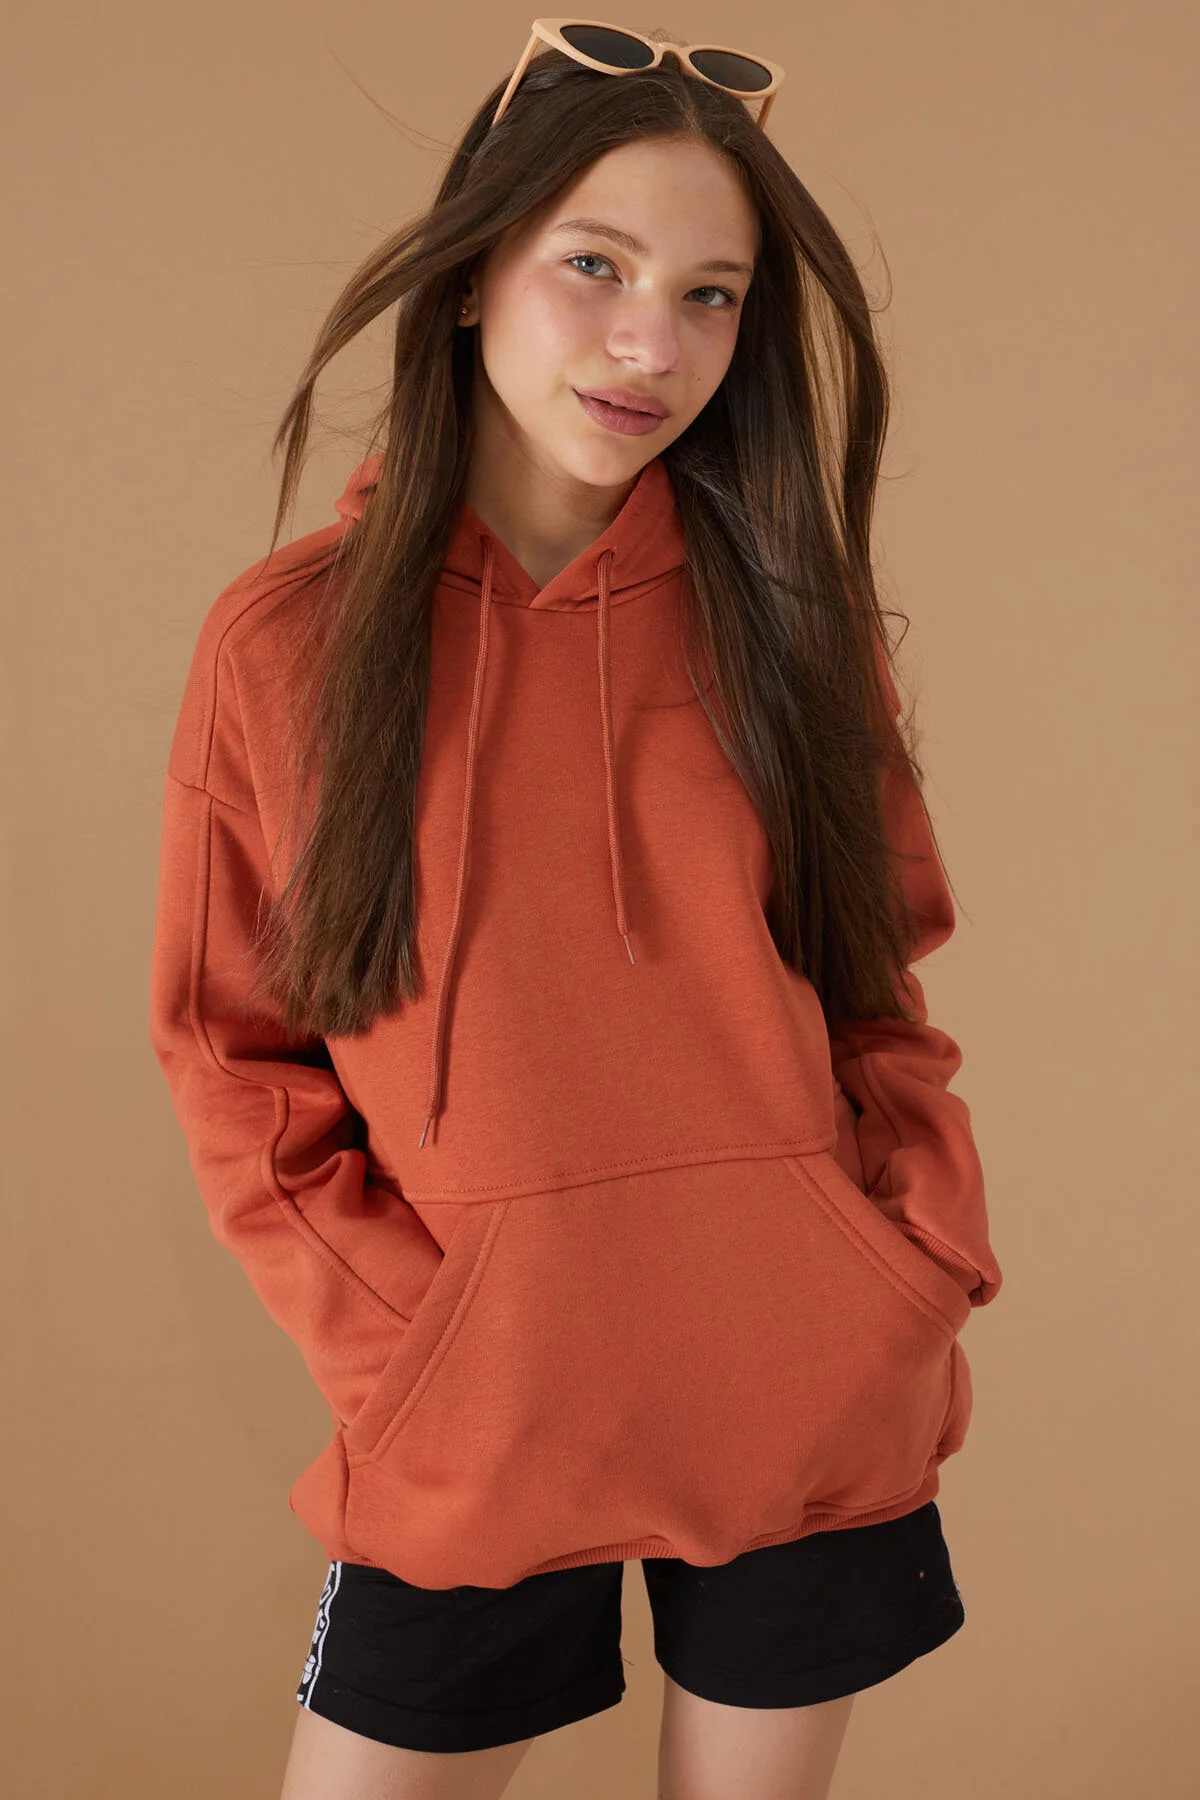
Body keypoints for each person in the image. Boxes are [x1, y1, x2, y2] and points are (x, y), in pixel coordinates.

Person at [148, 21, 1004, 1800]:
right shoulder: (288, 646)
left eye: (710, 296)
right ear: (473, 273)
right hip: (486, 1407)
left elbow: (875, 990)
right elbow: (235, 1059)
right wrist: (418, 1353)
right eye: (594, 267)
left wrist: (898, 1263)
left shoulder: (791, 623)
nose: (649, 345)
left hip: (804, 1388)